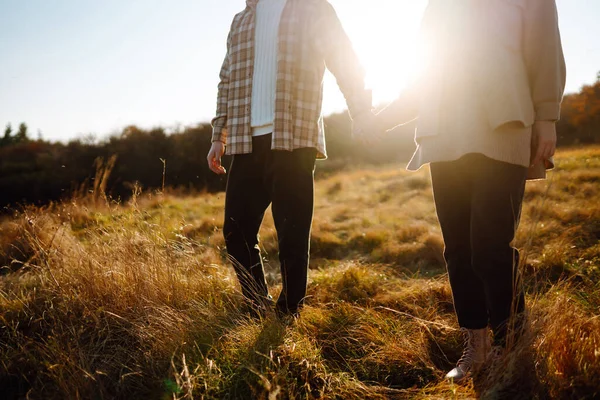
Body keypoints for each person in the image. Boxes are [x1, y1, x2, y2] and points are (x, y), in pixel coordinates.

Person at [376, 0, 566, 381]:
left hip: (502, 125)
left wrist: (546, 116)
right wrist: (385, 116)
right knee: (459, 249)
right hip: (443, 133)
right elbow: (426, 65)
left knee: (490, 246)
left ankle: (510, 343)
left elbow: (545, 47)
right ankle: (475, 348)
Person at [207, 0, 376, 318]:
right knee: (235, 230)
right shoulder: (241, 20)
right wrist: (219, 136)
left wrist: (362, 111)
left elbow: (344, 59)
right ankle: (257, 306)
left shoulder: (313, 8)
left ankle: (290, 311)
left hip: (294, 137)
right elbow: (226, 81)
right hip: (245, 142)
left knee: (292, 233)